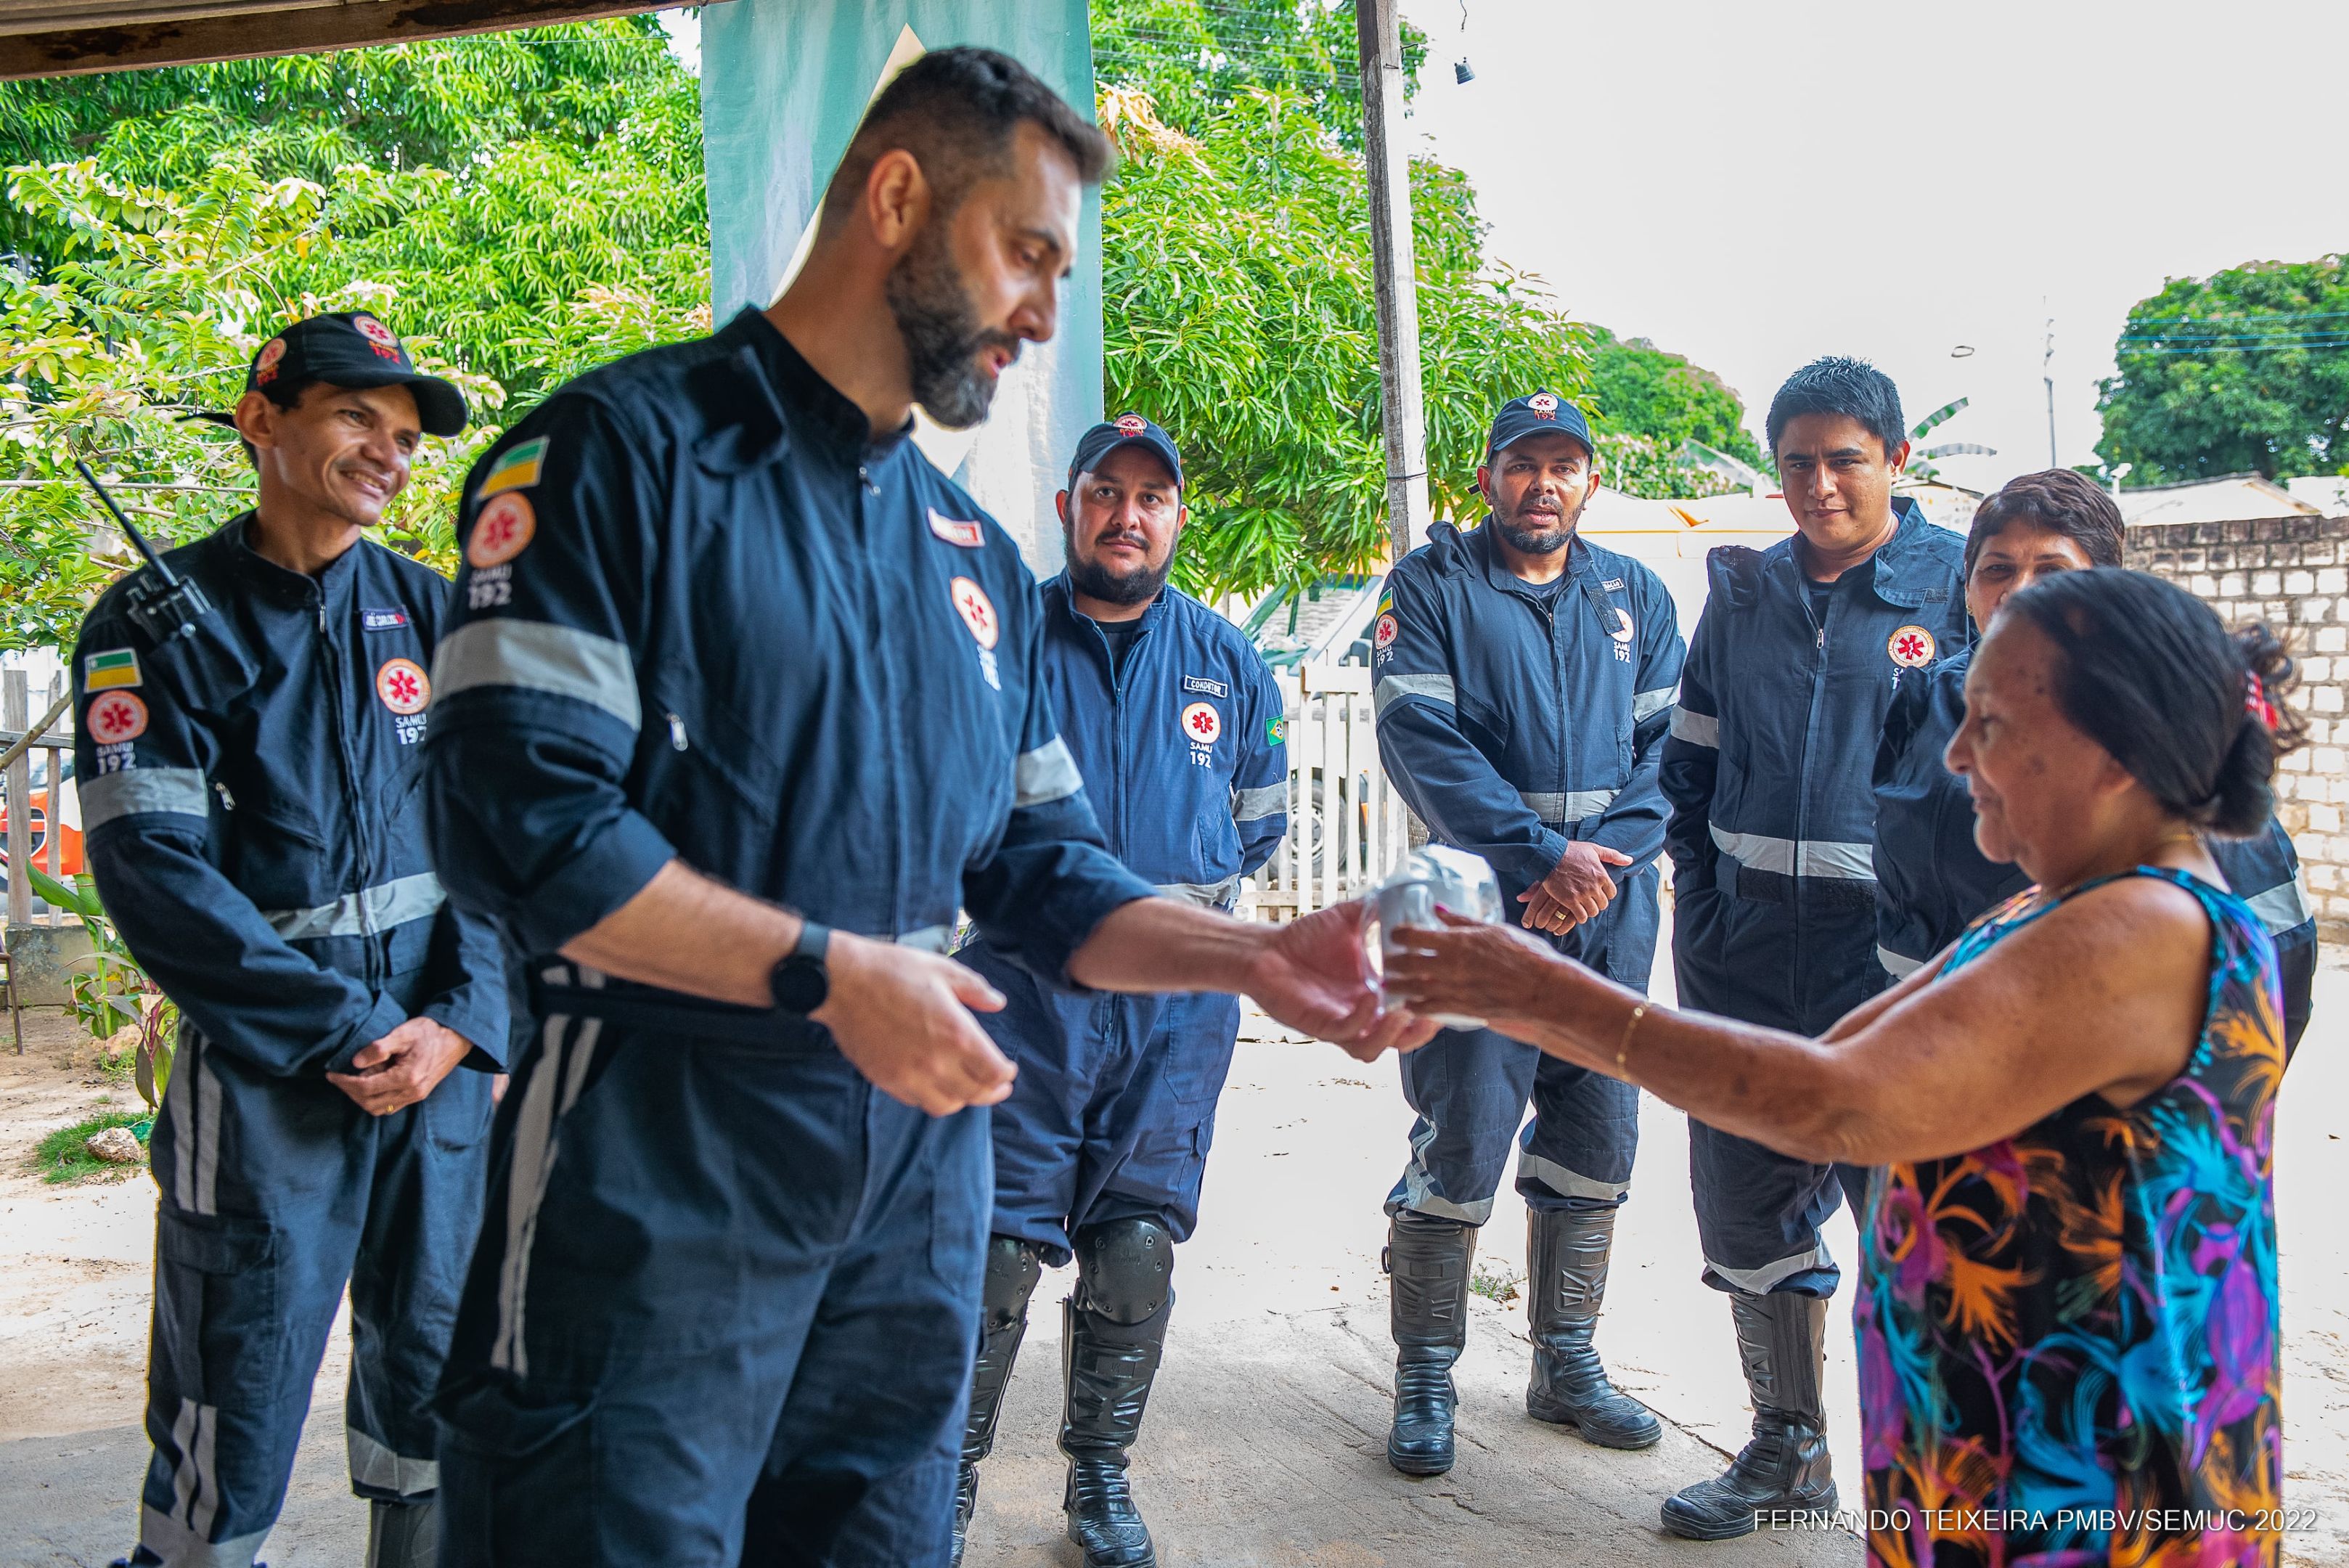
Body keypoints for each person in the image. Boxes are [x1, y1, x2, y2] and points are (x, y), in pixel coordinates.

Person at [419, 50, 1410, 1567]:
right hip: (657, 1153)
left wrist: (1248, 959)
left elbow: (1041, 866)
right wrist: (824, 974)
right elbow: (518, 821)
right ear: (895, 198)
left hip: (916, 1176)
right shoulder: (615, 458)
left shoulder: (964, 554)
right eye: (1024, 253)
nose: (1042, 313)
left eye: (1059, 271)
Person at [1386, 566, 2294, 1568]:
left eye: (1988, 723)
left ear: (2114, 748)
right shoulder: (2061, 905)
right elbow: (1835, 1061)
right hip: (2011, 1459)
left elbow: (1833, 1105)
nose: (1953, 754)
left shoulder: (2138, 927)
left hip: (2097, 1486)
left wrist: (1537, 992)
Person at [74, 313, 508, 1568]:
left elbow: (500, 847)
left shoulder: (432, 613)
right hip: (271, 1086)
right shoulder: (153, 625)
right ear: (263, 422)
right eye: (356, 419)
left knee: (435, 1388)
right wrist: (349, 1030)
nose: (390, 451)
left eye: (408, 436)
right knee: (235, 1392)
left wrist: (464, 1022)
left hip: (438, 1080)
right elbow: (153, 875)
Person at [951, 415, 1288, 1568]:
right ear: (1069, 508)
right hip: (1021, 996)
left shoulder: (1229, 660)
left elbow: (1258, 825)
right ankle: (942, 1483)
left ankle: (1100, 1478)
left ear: (1178, 517)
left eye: (1152, 497)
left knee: (1137, 1243)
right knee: (994, 1250)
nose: (1127, 515)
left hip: (1177, 1009)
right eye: (1107, 492)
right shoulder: (1003, 644)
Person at [1654, 356, 1969, 1538]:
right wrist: (1704, 906)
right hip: (1742, 960)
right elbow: (1686, 765)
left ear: (1894, 459)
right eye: (1797, 462)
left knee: (1914, 1231)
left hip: (1887, 974)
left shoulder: (1958, 590)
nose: (1819, 484)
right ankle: (1789, 1452)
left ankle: (1935, 1488)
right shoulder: (1741, 595)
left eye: (1845, 458)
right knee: (1745, 1212)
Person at [1368, 391, 1685, 1477]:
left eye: (1564, 464)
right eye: (1522, 464)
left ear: (1590, 479)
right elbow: (1420, 741)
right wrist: (1537, 860)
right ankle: (1423, 1375)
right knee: (1460, 1136)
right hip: (1473, 907)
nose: (1542, 483)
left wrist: (1594, 869)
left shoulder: (1633, 593)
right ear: (1488, 476)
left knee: (1596, 1136)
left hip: (1608, 907)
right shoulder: (1433, 585)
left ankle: (1567, 1364)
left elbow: (1668, 762)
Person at [1874, 467, 2317, 1050]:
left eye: (2052, 571)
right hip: (1918, 1060)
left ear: (2106, 587)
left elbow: (2274, 951)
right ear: (1967, 588)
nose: (2018, 591)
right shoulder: (1923, 701)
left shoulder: (2153, 719)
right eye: (1998, 569)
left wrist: (2180, 1104)